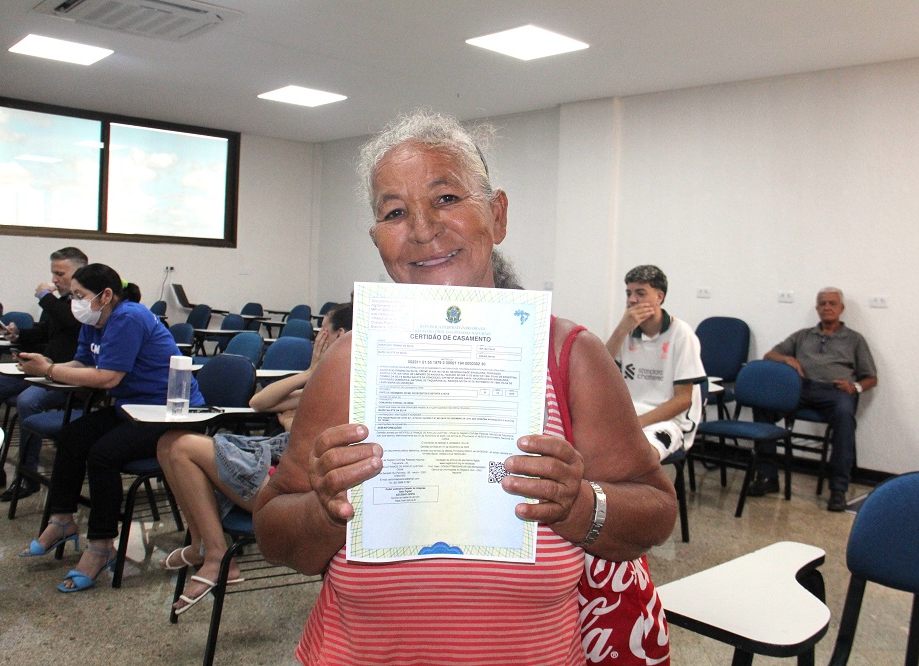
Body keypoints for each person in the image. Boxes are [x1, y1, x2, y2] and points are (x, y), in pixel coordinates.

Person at [253, 111, 677, 666]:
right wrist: (325, 509)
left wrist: (578, 503)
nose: (423, 229)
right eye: (395, 212)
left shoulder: (570, 357)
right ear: (376, 238)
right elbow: (275, 530)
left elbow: (655, 513)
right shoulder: (351, 362)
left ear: (497, 215)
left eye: (447, 198)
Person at [17, 263, 204, 592]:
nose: (74, 301)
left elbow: (108, 377)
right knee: (73, 437)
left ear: (106, 295)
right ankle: (62, 520)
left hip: (169, 412)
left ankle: (101, 545)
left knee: (103, 455)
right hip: (133, 408)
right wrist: (48, 367)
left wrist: (50, 371)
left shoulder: (128, 317)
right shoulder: (93, 321)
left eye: (80, 295)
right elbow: (84, 364)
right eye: (72, 295)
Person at [156, 302, 352, 616]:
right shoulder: (322, 383)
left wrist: (292, 423)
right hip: (268, 462)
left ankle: (218, 555)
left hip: (284, 484)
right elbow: (259, 402)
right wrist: (311, 373)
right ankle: (199, 545)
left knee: (182, 448)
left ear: (339, 336)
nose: (317, 338)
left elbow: (309, 447)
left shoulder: (350, 391)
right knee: (167, 443)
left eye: (322, 333)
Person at [749, 287, 877, 512]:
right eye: (822, 303)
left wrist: (854, 387)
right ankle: (767, 477)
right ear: (817, 308)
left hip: (836, 392)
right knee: (763, 406)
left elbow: (871, 377)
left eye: (832, 303)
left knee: (845, 419)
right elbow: (770, 355)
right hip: (802, 388)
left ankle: (838, 490)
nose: (827, 307)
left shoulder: (855, 339)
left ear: (841, 309)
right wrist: (787, 359)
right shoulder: (803, 335)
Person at [0, 247, 87, 499]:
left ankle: (27, 476)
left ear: (80, 272)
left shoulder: (85, 304)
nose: (54, 279)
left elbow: (72, 321)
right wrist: (18, 335)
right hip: (41, 369)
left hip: (68, 376)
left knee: (28, 401)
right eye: (53, 273)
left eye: (60, 273)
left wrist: (45, 298)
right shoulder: (60, 302)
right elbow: (44, 333)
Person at [604, 265, 707, 462]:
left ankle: (648, 493)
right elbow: (601, 371)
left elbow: (683, 400)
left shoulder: (681, 333)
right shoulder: (625, 332)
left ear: (659, 297)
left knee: (639, 457)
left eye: (640, 293)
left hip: (667, 421)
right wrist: (620, 330)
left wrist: (638, 423)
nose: (632, 300)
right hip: (629, 416)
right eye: (629, 293)